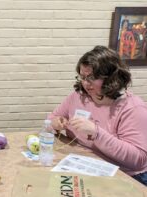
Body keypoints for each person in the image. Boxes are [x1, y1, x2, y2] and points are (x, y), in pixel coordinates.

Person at [48, 45, 147, 186]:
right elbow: (51, 119)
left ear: (112, 78)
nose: (86, 83)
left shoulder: (133, 108)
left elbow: (138, 159)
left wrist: (97, 133)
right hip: (87, 164)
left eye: (92, 77)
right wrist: (55, 123)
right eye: (83, 77)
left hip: (126, 176)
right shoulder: (78, 96)